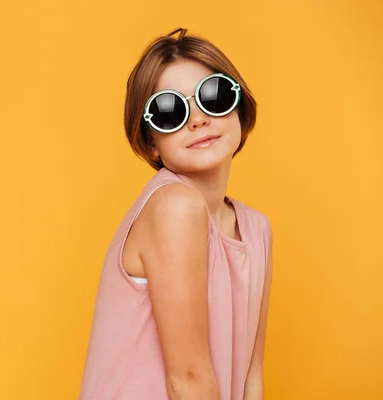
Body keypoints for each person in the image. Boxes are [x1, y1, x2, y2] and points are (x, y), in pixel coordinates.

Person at [79, 28, 274, 400]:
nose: (197, 120)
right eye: (169, 111)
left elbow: (251, 376)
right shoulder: (175, 207)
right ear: (151, 142)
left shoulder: (256, 228)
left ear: (239, 105)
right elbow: (187, 379)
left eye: (213, 96)